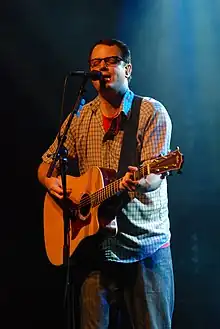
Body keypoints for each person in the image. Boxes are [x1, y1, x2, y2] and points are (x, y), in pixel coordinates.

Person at [37, 38, 174, 329]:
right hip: (94, 248)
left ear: (128, 69)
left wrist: (137, 181)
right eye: (95, 64)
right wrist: (51, 184)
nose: (102, 68)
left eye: (110, 61)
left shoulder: (151, 113)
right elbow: (46, 165)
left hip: (144, 249)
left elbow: (152, 177)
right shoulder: (80, 117)